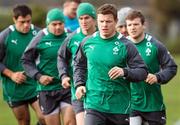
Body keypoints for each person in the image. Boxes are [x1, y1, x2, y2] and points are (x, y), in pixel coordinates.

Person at [73, 4, 148, 125]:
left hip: (119, 106)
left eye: (108, 21)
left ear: (116, 21)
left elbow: (143, 72)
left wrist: (125, 72)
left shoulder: (126, 45)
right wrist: (79, 84)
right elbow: (79, 65)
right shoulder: (87, 42)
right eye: (101, 21)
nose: (104, 25)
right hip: (94, 103)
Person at [21, 8, 76, 125]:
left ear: (64, 23)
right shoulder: (40, 37)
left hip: (67, 87)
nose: (57, 27)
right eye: (54, 24)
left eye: (60, 24)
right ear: (48, 24)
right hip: (47, 90)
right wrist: (39, 76)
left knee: (70, 122)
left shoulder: (70, 35)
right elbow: (26, 60)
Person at [125, 10, 177, 125]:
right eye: (129, 25)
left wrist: (158, 77)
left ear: (144, 25)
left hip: (153, 104)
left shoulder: (155, 45)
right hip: (130, 104)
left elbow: (171, 67)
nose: (132, 28)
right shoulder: (122, 46)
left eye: (136, 24)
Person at [0, 4, 45, 125]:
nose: (26, 25)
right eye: (22, 22)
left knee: (45, 118)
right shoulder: (4, 36)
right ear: (14, 20)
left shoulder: (39, 33)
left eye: (28, 21)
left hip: (35, 85)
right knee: (24, 122)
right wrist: (12, 75)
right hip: (14, 88)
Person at [58, 2, 97, 125]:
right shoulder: (72, 38)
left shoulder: (102, 36)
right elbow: (61, 57)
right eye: (80, 18)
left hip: (99, 91)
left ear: (94, 19)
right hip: (78, 91)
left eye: (87, 18)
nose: (83, 21)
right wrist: (64, 75)